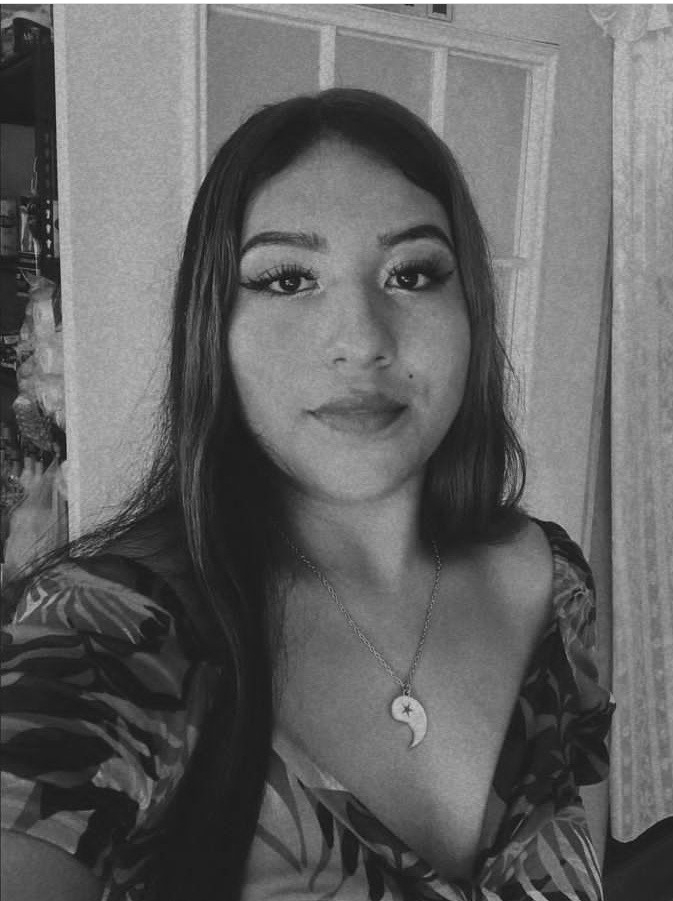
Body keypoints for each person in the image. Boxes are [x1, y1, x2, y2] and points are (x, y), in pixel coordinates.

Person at [1, 88, 614, 901]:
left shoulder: (556, 586)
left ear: (470, 309)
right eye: (288, 278)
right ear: (213, 327)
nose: (361, 340)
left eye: (413, 273)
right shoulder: (102, 631)